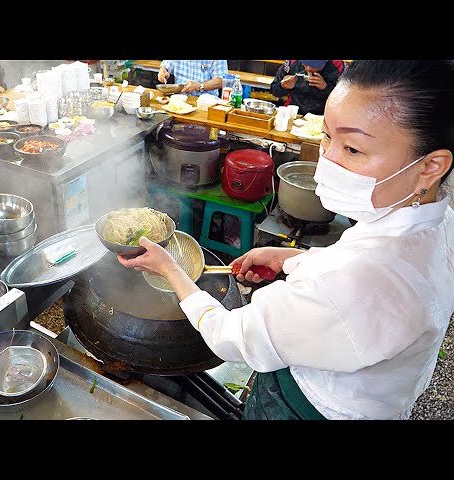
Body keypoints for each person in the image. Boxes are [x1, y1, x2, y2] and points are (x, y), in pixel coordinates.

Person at [119, 60, 454, 420]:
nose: (327, 158)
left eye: (353, 149)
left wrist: (171, 270)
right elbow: (357, 260)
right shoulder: (438, 220)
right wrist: (293, 258)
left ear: (431, 166)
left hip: (308, 408)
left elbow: (231, 336)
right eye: (327, 136)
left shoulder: (355, 283)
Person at [269, 60, 346, 116]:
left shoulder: (338, 66)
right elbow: (274, 90)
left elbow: (343, 100)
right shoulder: (292, 63)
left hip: (322, 116)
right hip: (293, 112)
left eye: (314, 66)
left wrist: (325, 87)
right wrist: (282, 86)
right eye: (305, 64)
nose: (308, 69)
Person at [157, 60, 228, 96]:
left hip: (206, 102)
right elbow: (164, 67)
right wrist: (163, 73)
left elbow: (222, 80)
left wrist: (199, 86)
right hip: (179, 99)